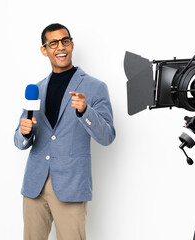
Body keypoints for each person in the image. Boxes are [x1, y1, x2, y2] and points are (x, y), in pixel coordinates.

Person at [14, 23, 116, 240]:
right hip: (34, 185)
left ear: (71, 45)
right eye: (53, 43)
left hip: (71, 185)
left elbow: (107, 136)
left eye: (65, 41)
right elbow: (19, 140)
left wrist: (85, 111)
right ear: (44, 49)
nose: (60, 47)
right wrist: (24, 133)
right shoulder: (37, 89)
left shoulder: (95, 87)